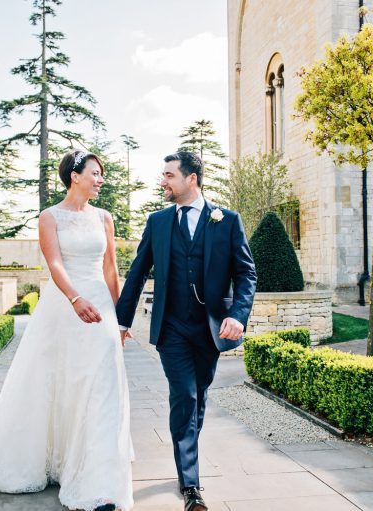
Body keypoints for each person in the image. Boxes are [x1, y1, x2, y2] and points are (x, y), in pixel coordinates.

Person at [0, 150, 134, 511]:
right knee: (58, 382)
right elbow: (54, 262)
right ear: (75, 176)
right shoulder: (49, 217)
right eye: (95, 172)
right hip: (64, 307)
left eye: (101, 173)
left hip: (102, 310)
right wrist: (75, 299)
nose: (100, 179)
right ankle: (60, 459)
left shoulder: (105, 218)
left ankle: (99, 483)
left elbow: (110, 270)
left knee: (101, 386)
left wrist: (121, 318)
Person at [116, 152, 257, 511]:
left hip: (210, 328)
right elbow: (137, 272)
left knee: (199, 396)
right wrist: (121, 320)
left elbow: (246, 274)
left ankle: (185, 457)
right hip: (172, 328)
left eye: (168, 175)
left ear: (191, 179)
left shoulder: (226, 220)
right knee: (185, 396)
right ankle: (192, 488)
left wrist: (238, 315)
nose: (163, 181)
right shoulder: (158, 222)